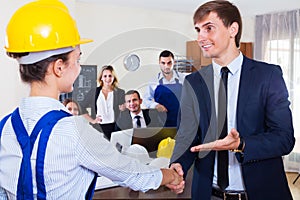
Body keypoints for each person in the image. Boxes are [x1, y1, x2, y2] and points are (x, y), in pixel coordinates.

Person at [0, 1, 184, 199]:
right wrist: (171, 176)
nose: (80, 68)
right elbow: (129, 172)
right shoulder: (73, 131)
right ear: (59, 67)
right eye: (78, 59)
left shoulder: (4, 127)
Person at [170, 1, 295, 200]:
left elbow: (284, 139)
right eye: (198, 30)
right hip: (208, 194)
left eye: (209, 28)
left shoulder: (268, 76)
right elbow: (186, 136)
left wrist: (242, 144)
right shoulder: (193, 82)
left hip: (261, 193)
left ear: (232, 29)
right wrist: (177, 163)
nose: (201, 37)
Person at [80, 65, 126, 140]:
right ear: (101, 78)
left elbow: (125, 110)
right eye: (105, 76)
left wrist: (124, 108)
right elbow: (81, 107)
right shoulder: (94, 92)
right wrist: (92, 120)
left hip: (115, 129)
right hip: (98, 129)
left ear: (113, 78)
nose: (108, 79)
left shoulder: (120, 92)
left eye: (110, 76)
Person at [143, 50, 186, 127]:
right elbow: (146, 100)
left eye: (169, 63)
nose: (166, 66)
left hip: (182, 121)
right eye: (163, 63)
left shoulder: (183, 79)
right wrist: (156, 105)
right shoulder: (154, 81)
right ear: (159, 63)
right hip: (162, 123)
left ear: (174, 62)